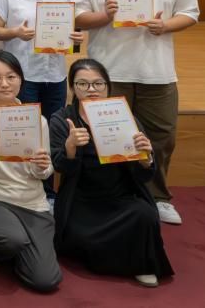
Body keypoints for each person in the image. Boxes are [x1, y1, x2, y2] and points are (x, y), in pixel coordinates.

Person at [72, 0, 198, 225]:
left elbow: (191, 12)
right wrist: (105, 16)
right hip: (109, 72)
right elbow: (77, 17)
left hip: (156, 71)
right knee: (110, 136)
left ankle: (158, 197)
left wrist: (165, 26)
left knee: (161, 136)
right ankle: (117, 195)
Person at [50, 59, 173, 287]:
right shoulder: (63, 119)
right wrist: (70, 147)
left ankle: (141, 264)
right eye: (83, 84)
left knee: (145, 216)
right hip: (81, 199)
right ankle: (124, 257)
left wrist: (146, 158)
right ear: (73, 88)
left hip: (120, 196)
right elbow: (59, 168)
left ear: (108, 86)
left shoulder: (124, 116)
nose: (92, 90)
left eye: (98, 83)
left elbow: (144, 175)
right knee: (85, 238)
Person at [0, 51, 61, 293]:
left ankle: (15, 245)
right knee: (10, 238)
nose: (4, 84)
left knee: (45, 281)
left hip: (31, 202)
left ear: (21, 79)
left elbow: (45, 172)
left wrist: (42, 165)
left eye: (11, 77)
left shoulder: (36, 119)